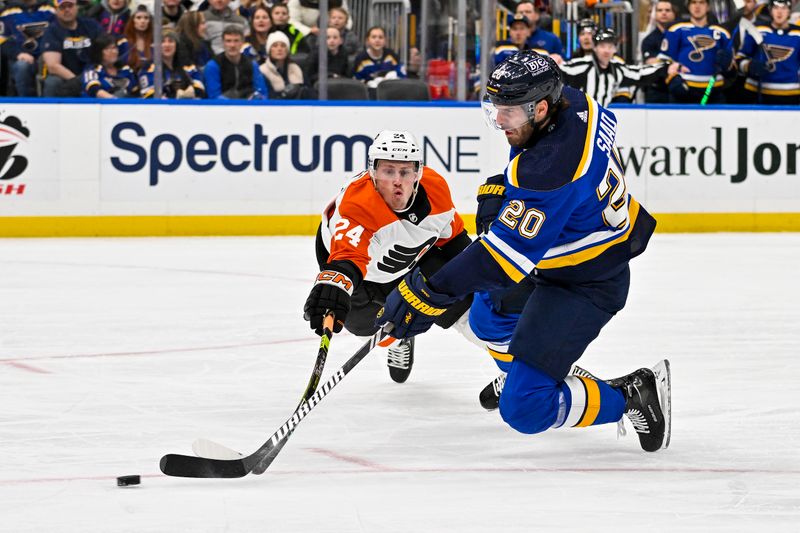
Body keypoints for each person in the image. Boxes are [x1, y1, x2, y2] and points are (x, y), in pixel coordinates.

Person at [375, 50, 671, 453]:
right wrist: (509, 193)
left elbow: (498, 261)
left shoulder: (549, 169)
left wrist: (426, 293)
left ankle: (633, 395)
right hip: (560, 251)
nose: (499, 121)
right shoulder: (576, 103)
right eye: (495, 109)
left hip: (587, 280)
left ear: (542, 107)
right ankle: (523, 371)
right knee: (485, 319)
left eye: (509, 113)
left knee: (525, 409)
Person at [303, 130, 473, 384]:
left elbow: (453, 239)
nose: (397, 181)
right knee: (365, 328)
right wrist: (334, 285)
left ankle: (511, 367)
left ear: (418, 173)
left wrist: (482, 271)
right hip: (365, 275)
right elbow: (348, 256)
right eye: (388, 171)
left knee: (470, 305)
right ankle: (398, 339)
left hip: (413, 261)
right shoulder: (357, 205)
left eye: (405, 172)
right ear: (372, 172)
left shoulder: (435, 189)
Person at [560, 28, 667, 106]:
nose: (606, 50)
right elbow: (558, 70)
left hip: (600, 117)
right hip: (579, 117)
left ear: (615, 50)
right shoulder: (582, 65)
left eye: (610, 46)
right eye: (602, 46)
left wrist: (666, 66)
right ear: (595, 48)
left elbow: (639, 73)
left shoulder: (618, 68)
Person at [658, 0, 736, 103]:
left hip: (713, 91)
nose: (697, 6)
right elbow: (663, 61)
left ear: (708, 7)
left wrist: (728, 67)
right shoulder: (676, 30)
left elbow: (733, 69)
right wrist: (672, 79)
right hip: (684, 90)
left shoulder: (722, 33)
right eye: (693, 2)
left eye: (701, 2)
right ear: (688, 6)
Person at [735, 0, 800, 104]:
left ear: (789, 11)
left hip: (791, 93)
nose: (779, 12)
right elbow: (739, 59)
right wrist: (749, 66)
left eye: (783, 8)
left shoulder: (798, 34)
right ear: (770, 11)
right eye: (776, 8)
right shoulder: (756, 29)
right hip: (756, 92)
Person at [41, 0, 102, 96]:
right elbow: (53, 66)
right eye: (62, 7)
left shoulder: (91, 25)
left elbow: (105, 49)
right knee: (52, 82)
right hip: (66, 78)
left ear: (77, 7)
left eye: (70, 6)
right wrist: (79, 81)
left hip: (91, 74)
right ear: (56, 10)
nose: (67, 10)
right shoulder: (51, 31)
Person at [0, 0, 55, 96]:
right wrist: (18, 54)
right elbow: (2, 42)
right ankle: (25, 104)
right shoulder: (7, 13)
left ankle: (48, 105)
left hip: (47, 56)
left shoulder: (50, 10)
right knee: (22, 67)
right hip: (20, 58)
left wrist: (48, 53)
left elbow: (58, 34)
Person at [203, 25, 268, 99]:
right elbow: (214, 96)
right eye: (228, 41)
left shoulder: (252, 65)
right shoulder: (213, 66)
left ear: (242, 42)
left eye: (236, 41)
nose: (232, 45)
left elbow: (262, 92)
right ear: (223, 43)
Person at [138, 29, 205, 98]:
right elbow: (148, 95)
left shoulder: (189, 66)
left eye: (171, 41)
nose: (167, 45)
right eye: (162, 41)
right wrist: (173, 93)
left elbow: (200, 88)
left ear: (177, 45)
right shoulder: (148, 68)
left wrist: (192, 90)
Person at [81, 31, 138, 97]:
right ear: (99, 52)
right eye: (108, 49)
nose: (113, 52)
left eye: (114, 48)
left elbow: (135, 91)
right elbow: (93, 89)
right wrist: (114, 101)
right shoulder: (92, 69)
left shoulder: (126, 70)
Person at [641, 0, 676, 103]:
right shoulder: (648, 40)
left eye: (667, 10)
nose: (664, 13)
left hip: (678, 88)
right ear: (655, 14)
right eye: (660, 10)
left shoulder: (682, 36)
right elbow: (651, 62)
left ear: (673, 14)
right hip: (656, 89)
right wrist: (673, 62)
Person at [259, 30, 310, 98]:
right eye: (275, 46)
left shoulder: (296, 68)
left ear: (287, 50)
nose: (279, 49)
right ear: (269, 50)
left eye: (283, 46)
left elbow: (308, 90)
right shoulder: (262, 70)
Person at [119, 4, 152, 72]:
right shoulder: (123, 42)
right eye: (138, 18)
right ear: (132, 20)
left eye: (146, 18)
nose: (142, 21)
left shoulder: (154, 42)